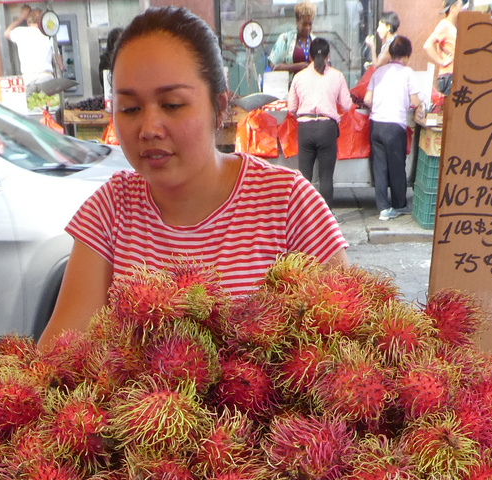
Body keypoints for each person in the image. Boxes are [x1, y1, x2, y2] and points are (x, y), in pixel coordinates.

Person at [39, 6, 347, 346]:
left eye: (172, 104)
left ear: (218, 108)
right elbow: (58, 359)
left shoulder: (289, 205)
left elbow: (349, 344)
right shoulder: (110, 211)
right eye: (129, 109)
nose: (149, 128)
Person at [364, 35, 423, 220]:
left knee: (379, 167)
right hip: (395, 125)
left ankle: (383, 208)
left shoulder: (378, 72)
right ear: (405, 56)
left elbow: (367, 100)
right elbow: (415, 101)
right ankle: (399, 205)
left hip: (376, 125)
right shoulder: (407, 73)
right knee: (397, 167)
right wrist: (419, 105)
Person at [287, 38, 351, 205]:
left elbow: (291, 107)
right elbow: (347, 105)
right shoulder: (338, 76)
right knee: (326, 177)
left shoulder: (299, 77)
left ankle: (304, 216)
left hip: (305, 128)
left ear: (309, 56)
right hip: (327, 128)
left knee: (304, 177)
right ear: (328, 56)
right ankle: (326, 216)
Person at [6, 5, 56, 91]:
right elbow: (60, 64)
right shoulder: (48, 35)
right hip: (46, 77)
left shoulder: (20, 32)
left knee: (31, 103)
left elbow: (7, 33)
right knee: (48, 103)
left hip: (27, 79)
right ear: (42, 21)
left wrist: (20, 18)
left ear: (28, 22)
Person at [424, 0, 463, 94]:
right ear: (452, 9)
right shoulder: (444, 25)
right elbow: (427, 45)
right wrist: (442, 61)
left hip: (454, 74)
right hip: (448, 75)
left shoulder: (453, 26)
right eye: (461, 6)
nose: (463, 9)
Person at [269, 2, 317, 76]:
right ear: (297, 22)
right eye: (304, 24)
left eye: (310, 24)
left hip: (312, 86)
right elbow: (273, 67)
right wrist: (296, 67)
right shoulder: (285, 39)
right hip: (290, 85)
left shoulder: (315, 41)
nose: (307, 28)